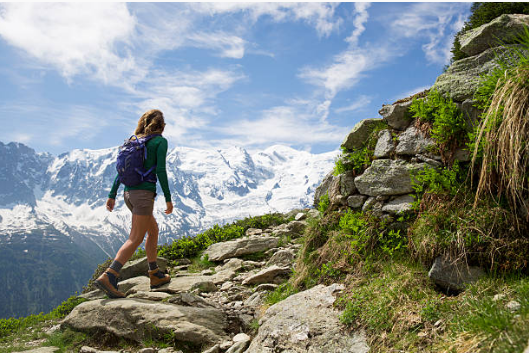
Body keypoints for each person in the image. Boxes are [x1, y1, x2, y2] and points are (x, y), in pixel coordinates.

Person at [95, 109, 173, 298]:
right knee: (135, 238)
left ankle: (155, 274)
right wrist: (168, 199)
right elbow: (161, 170)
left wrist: (112, 194)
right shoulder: (160, 141)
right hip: (143, 195)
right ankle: (109, 275)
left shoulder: (134, 142)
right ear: (161, 126)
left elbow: (120, 171)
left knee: (153, 230)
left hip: (128, 193)